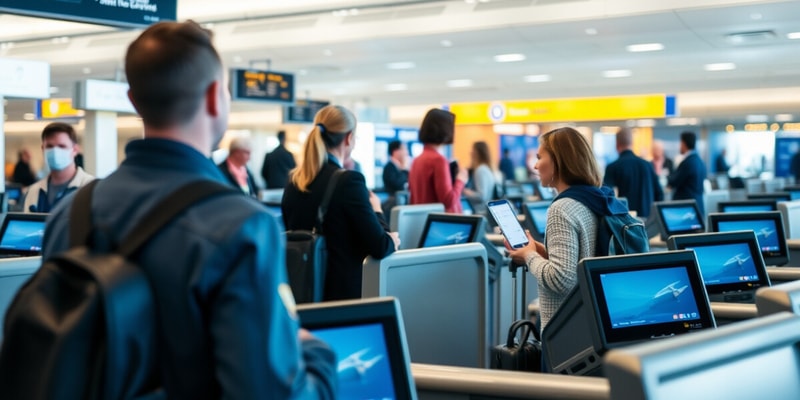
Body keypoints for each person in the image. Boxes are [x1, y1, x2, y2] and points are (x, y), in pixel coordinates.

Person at [41, 21, 336, 399]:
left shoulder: (68, 214)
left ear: (133, 101)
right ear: (216, 97)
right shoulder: (243, 226)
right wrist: (315, 353)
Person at [506, 127, 626, 331]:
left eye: (539, 157)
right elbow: (579, 261)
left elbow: (561, 280)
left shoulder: (561, 209)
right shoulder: (595, 198)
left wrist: (528, 257)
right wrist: (538, 250)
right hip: (590, 322)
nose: (535, 165)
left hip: (564, 329)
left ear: (558, 162)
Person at [282, 104, 399, 301]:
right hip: (340, 298)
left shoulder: (295, 181)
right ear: (348, 138)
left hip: (302, 291)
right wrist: (378, 211)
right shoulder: (349, 181)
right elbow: (379, 246)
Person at [22, 122, 94, 213]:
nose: (55, 151)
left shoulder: (92, 188)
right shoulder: (34, 191)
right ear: (43, 149)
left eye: (62, 146)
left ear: (75, 150)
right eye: (50, 146)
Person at [408, 108, 468, 213]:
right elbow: (448, 201)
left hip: (421, 220)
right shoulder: (438, 161)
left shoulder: (417, 160)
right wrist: (460, 180)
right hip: (439, 222)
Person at [603, 128, 663, 218]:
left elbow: (606, 196)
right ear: (632, 144)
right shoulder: (647, 165)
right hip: (647, 218)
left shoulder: (613, 167)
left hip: (625, 221)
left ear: (617, 144)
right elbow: (659, 193)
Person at [668, 131, 707, 215]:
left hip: (687, 209)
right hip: (697, 205)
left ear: (684, 143)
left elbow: (674, 181)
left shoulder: (688, 162)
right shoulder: (700, 161)